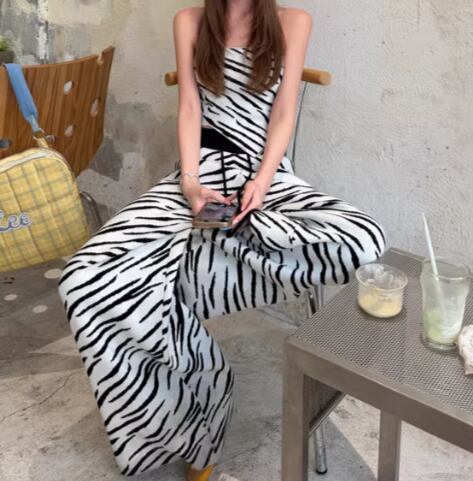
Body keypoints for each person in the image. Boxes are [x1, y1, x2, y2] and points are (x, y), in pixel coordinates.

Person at [57, 1, 387, 480]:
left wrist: (263, 182)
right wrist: (190, 184)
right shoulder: (189, 21)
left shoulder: (294, 22)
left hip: (267, 177)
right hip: (201, 175)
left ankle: (218, 248)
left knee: (364, 237)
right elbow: (190, 109)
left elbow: (283, 112)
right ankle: (203, 395)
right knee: (83, 278)